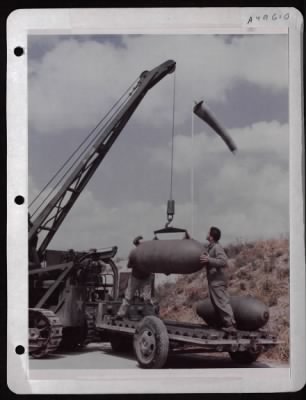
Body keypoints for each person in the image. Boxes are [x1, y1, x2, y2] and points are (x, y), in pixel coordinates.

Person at [200, 226, 236, 333]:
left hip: (218, 281)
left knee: (222, 302)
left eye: (208, 233)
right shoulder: (211, 247)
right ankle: (222, 323)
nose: (206, 234)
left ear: (211, 237)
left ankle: (231, 325)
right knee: (216, 303)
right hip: (213, 281)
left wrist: (209, 260)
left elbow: (224, 261)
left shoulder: (217, 247)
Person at [116, 236, 155, 319]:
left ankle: (121, 314)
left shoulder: (135, 253)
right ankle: (121, 314)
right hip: (138, 277)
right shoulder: (146, 253)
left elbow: (129, 265)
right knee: (131, 297)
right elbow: (129, 265)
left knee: (130, 298)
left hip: (142, 277)